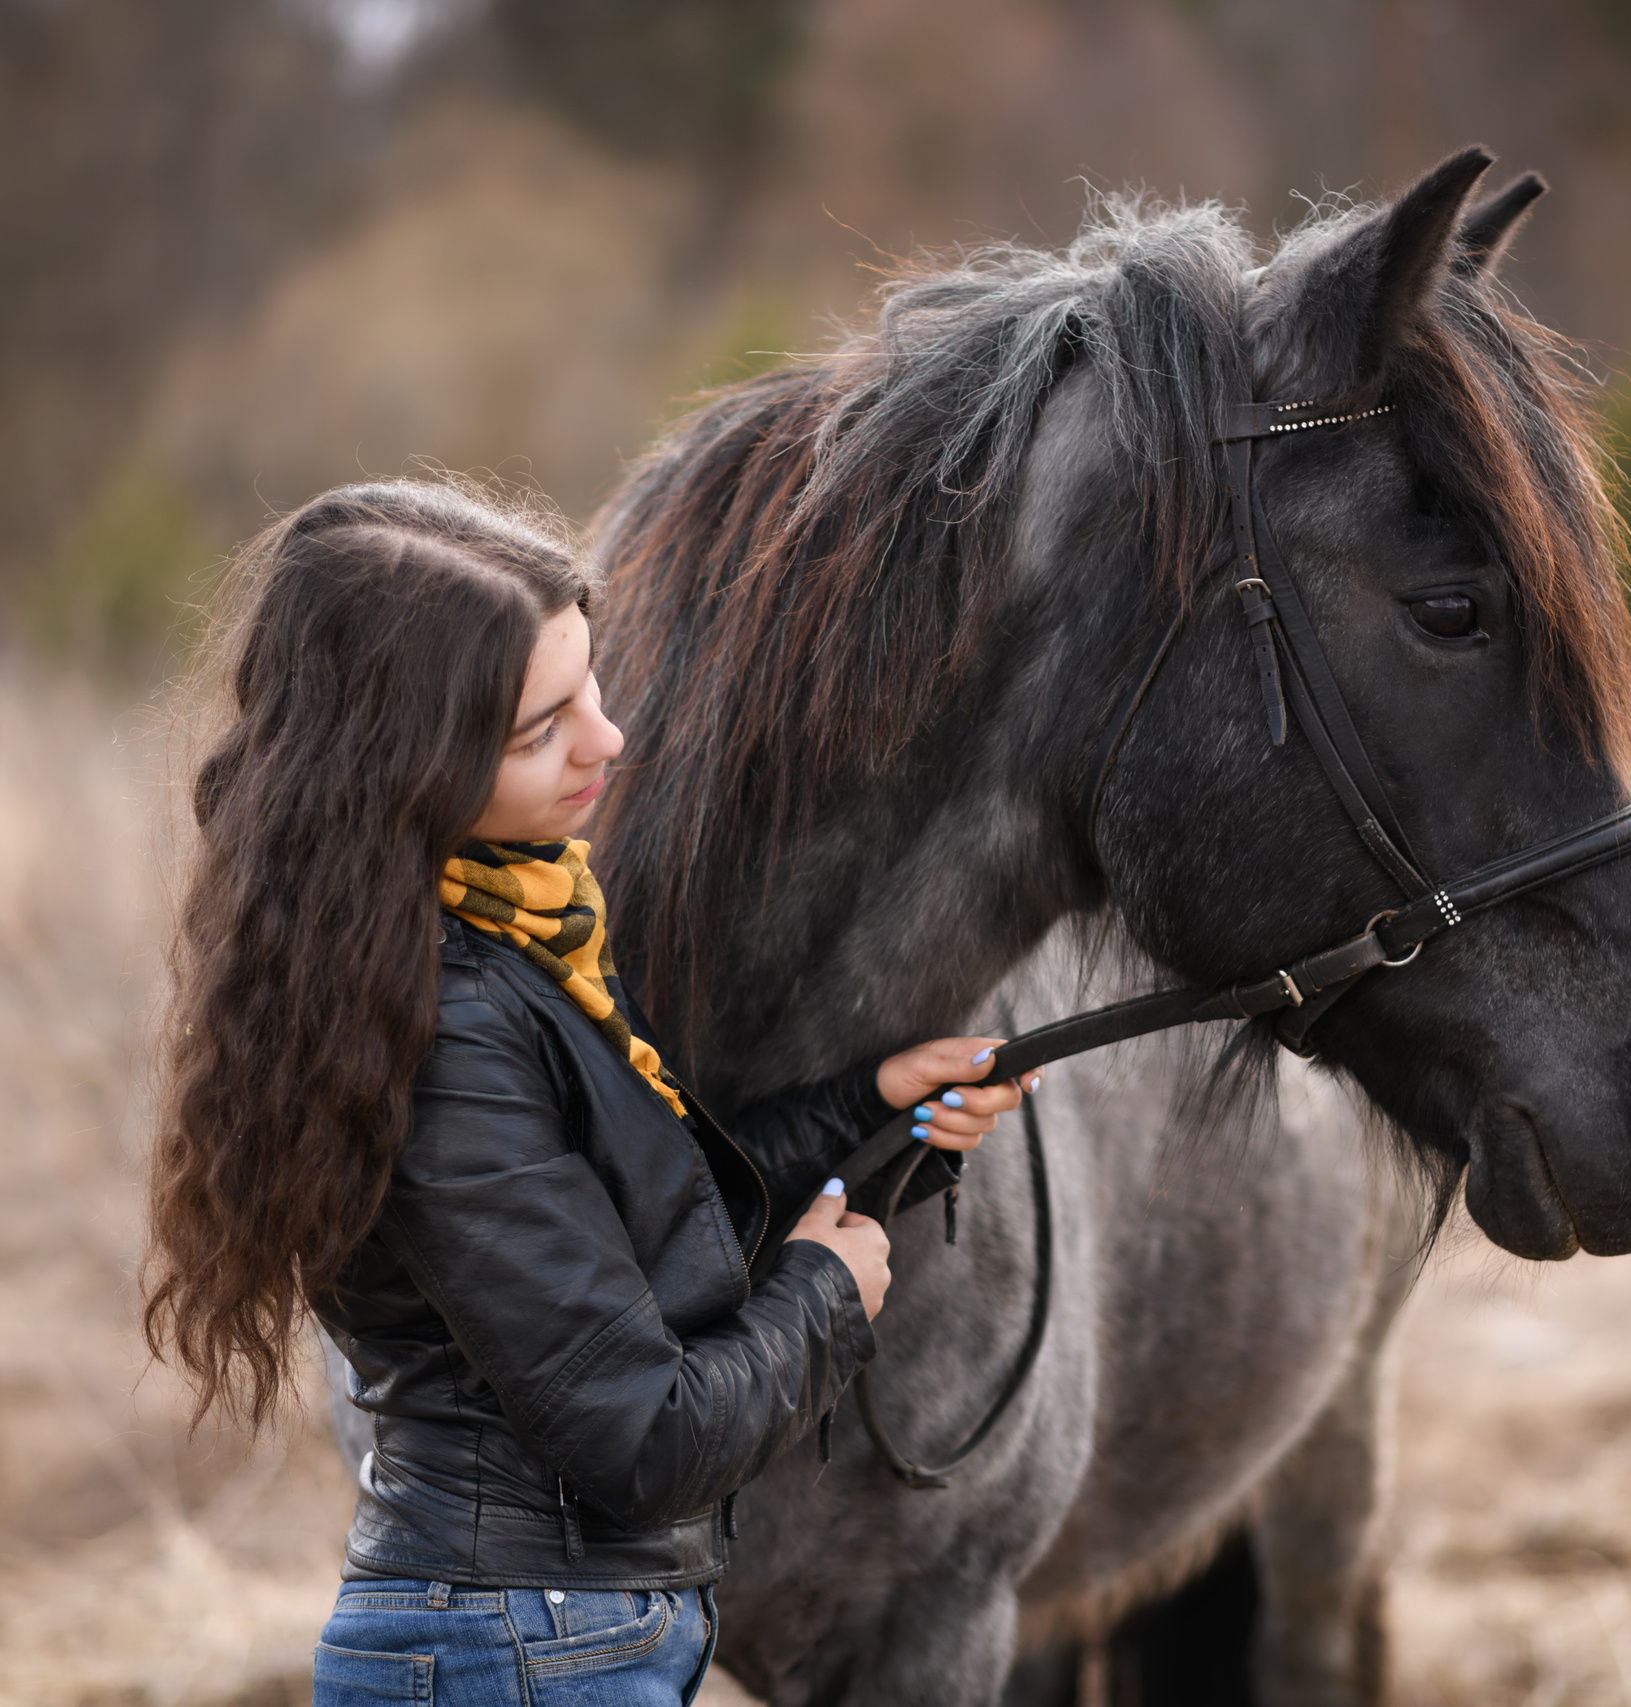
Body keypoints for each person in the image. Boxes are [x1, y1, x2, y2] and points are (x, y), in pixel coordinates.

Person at [142, 480, 1036, 1706]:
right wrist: (829, 1295)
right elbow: (646, 1436)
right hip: (516, 1653)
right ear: (405, 772)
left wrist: (870, 1108)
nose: (607, 740)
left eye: (592, 686)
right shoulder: (443, 1034)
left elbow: (625, 1228)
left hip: (544, 1639)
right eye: (539, 729)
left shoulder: (498, 940)